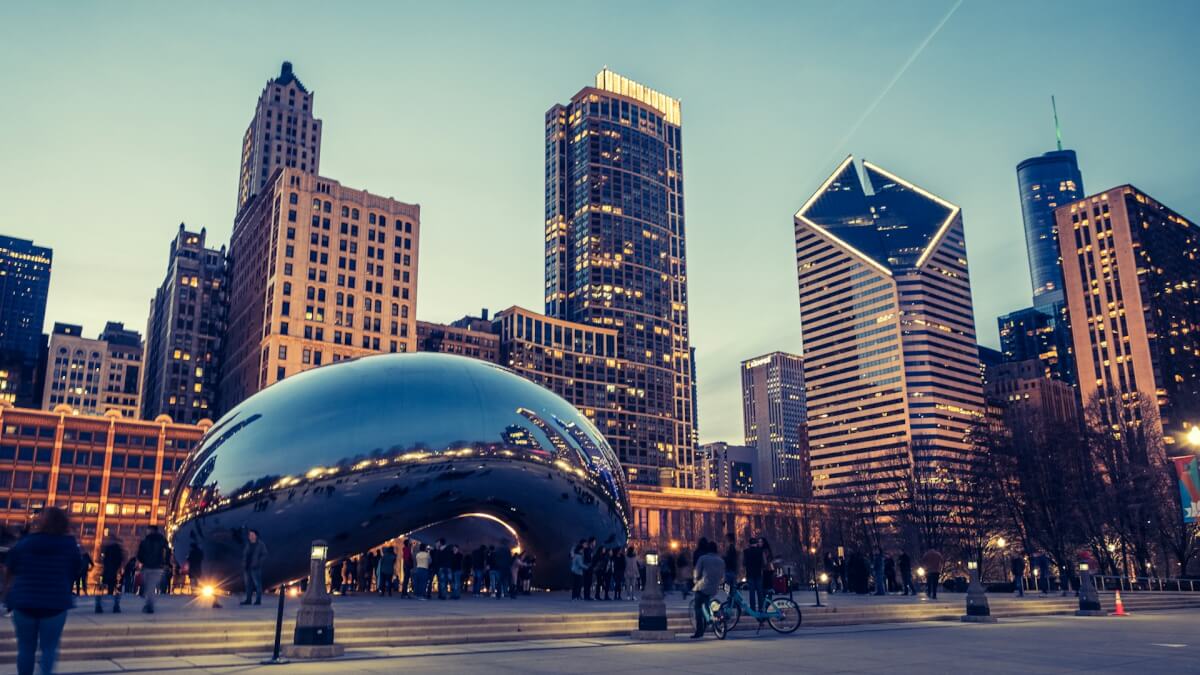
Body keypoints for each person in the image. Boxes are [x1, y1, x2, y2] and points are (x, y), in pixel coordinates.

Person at [5, 507, 79, 675]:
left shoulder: (25, 543)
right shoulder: (69, 545)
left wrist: (9, 592)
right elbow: (76, 569)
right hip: (55, 603)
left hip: (24, 602)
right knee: (49, 650)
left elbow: (9, 568)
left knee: (25, 649)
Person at [690, 540, 726, 639]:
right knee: (707, 602)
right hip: (714, 587)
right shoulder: (721, 560)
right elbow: (723, 576)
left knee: (697, 607)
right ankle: (714, 616)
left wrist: (695, 580)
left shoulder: (703, 558)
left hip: (703, 585)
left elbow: (697, 571)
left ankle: (699, 631)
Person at [137, 525, 169, 614]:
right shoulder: (163, 541)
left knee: (148, 586)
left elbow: (140, 554)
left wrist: (143, 561)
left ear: (150, 530)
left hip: (147, 566)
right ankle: (149, 604)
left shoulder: (145, 541)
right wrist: (165, 563)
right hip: (158, 567)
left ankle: (149, 605)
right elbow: (168, 551)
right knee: (151, 586)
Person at [96, 532, 124, 614]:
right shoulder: (116, 548)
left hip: (108, 569)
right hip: (112, 569)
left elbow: (103, 558)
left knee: (105, 586)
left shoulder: (107, 548)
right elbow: (120, 559)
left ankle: (101, 605)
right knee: (111, 587)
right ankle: (113, 605)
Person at [240, 529, 267, 605]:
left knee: (257, 584)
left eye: (252, 535)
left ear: (256, 536)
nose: (251, 536)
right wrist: (244, 563)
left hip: (255, 568)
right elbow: (245, 555)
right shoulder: (248, 544)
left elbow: (264, 554)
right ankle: (248, 600)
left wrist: (258, 563)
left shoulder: (260, 544)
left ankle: (258, 600)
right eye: (250, 535)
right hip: (247, 567)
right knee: (248, 584)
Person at [743, 537, 764, 612]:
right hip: (758, 573)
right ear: (756, 543)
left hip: (750, 573)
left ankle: (752, 608)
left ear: (749, 544)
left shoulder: (746, 551)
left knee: (751, 592)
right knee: (760, 592)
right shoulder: (760, 551)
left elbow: (744, 563)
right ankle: (761, 608)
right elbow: (763, 563)